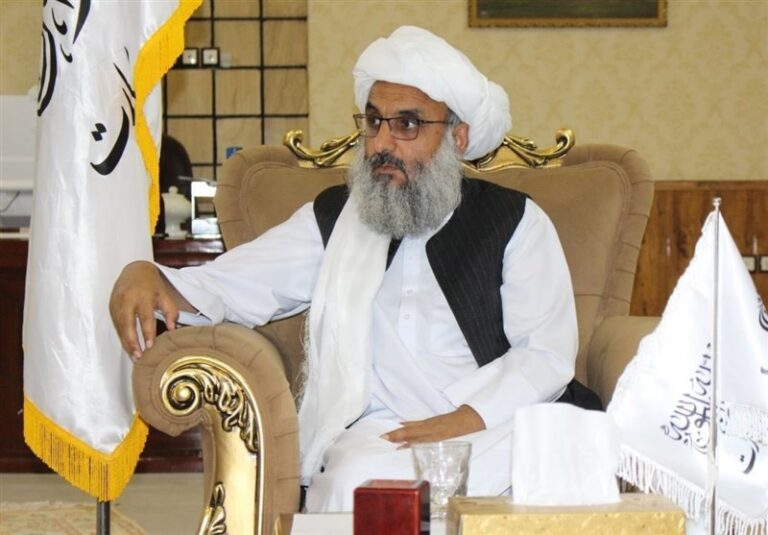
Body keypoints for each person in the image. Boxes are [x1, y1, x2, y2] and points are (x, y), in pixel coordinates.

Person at [110, 26, 599, 512]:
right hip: (386, 434)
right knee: (355, 482)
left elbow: (545, 352)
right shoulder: (336, 218)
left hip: (496, 423)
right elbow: (238, 283)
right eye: (373, 121)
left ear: (458, 136)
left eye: (407, 124)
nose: (382, 142)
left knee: (562, 460)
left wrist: (464, 418)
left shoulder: (515, 220)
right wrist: (151, 276)